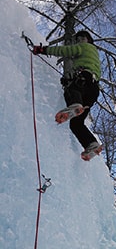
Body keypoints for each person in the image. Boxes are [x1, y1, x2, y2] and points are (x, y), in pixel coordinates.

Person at [33, 30, 102, 161]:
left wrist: (43, 50)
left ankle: (75, 104)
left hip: (83, 79)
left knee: (71, 89)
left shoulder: (84, 47)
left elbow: (65, 51)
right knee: (76, 124)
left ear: (87, 40)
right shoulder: (95, 56)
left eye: (81, 38)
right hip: (93, 89)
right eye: (78, 39)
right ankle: (91, 144)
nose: (79, 41)